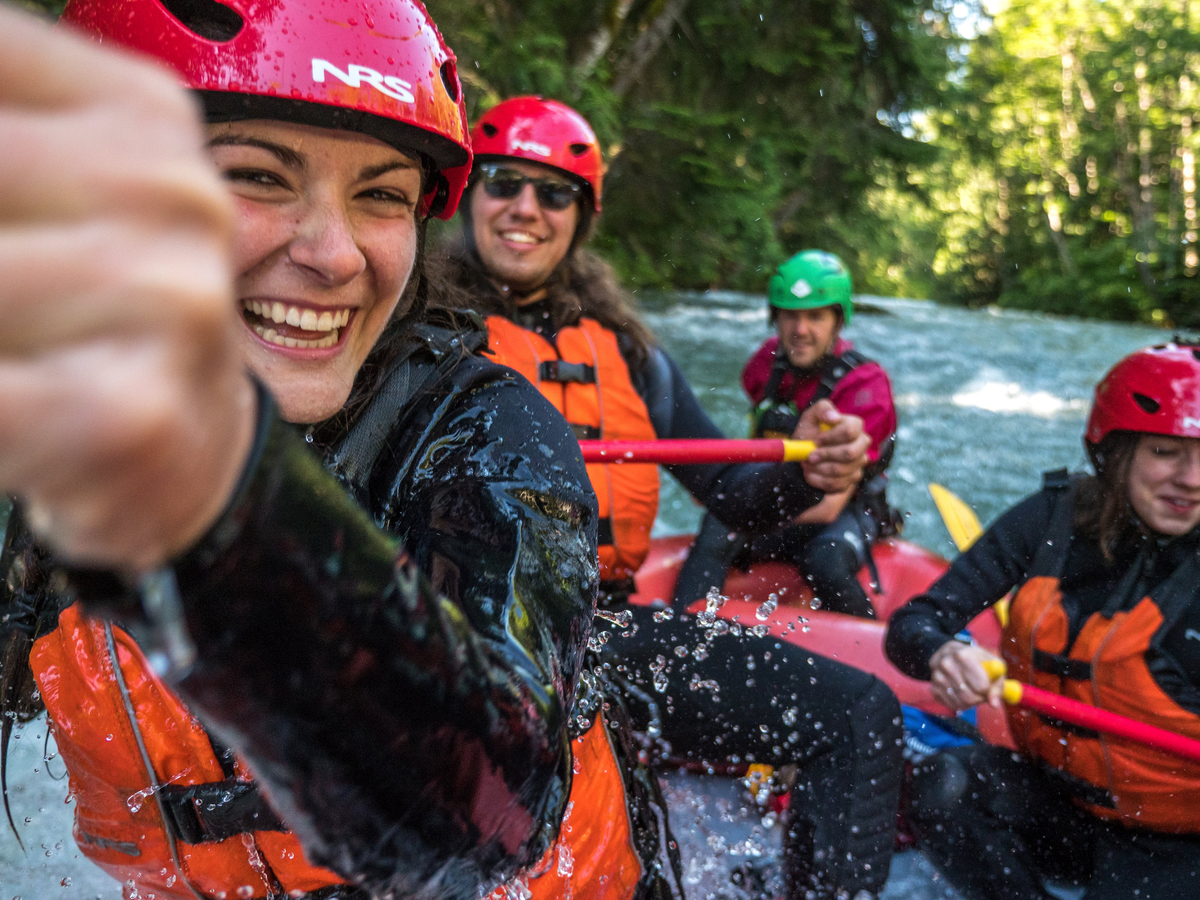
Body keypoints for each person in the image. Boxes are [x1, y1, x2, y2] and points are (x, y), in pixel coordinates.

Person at [0, 4, 686, 899]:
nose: (334, 254)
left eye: (382, 195)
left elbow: (486, 815)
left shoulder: (484, 431)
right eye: (257, 176)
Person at [438, 95, 905, 900]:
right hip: (471, 646)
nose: (525, 209)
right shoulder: (416, 330)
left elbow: (732, 494)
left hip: (606, 633)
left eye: (554, 193)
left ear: (580, 218)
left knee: (859, 712)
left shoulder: (626, 350)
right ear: (470, 196)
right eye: (505, 184)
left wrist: (807, 474)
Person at [885, 343, 1200, 899]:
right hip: (1063, 806)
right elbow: (916, 622)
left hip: (1178, 843)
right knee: (947, 785)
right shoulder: (1054, 517)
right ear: (1117, 452)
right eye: (1165, 451)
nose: (1192, 479)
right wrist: (944, 653)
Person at [674, 250, 898, 618]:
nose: (801, 330)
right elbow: (758, 453)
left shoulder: (866, 388)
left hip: (845, 512)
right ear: (775, 318)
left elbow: (828, 507)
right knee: (717, 527)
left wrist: (739, 506)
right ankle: (680, 631)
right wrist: (729, 490)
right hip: (781, 502)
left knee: (824, 561)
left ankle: (878, 657)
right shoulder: (765, 366)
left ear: (838, 321)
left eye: (815, 316)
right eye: (790, 315)